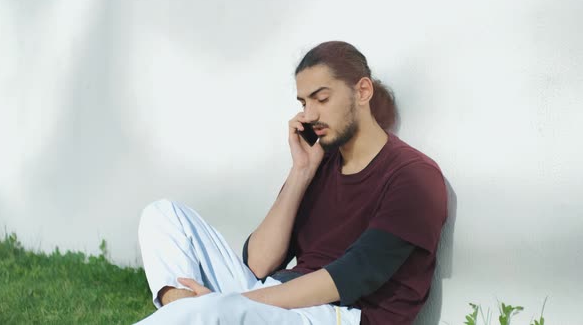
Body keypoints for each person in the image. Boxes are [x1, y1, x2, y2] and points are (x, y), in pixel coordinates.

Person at [136, 41, 448, 325]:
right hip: (276, 296)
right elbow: (257, 264)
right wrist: (300, 172)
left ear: (362, 91)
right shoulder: (319, 163)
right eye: (303, 103)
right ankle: (180, 305)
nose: (310, 114)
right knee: (163, 215)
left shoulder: (414, 176)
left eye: (321, 99)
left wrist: (230, 303)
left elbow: (351, 277)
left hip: (340, 313)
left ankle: (191, 312)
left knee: (212, 312)